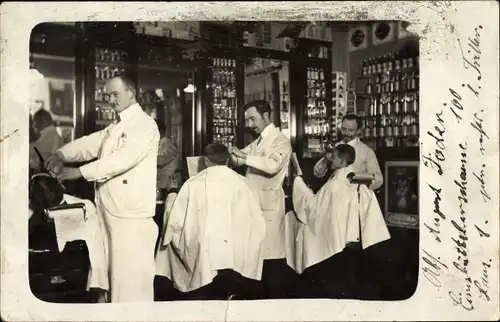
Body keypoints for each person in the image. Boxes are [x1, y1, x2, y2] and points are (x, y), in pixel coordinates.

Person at [44, 75, 160, 303]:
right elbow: (90, 143)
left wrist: (78, 172)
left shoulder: (144, 125)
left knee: (130, 286)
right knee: (110, 280)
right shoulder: (118, 125)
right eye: (108, 95)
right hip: (111, 211)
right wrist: (61, 154)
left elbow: (121, 159)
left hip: (131, 217)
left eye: (115, 94)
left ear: (131, 93)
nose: (111, 99)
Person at [155, 143, 266, 300]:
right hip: (237, 257)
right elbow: (258, 224)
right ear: (228, 161)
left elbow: (174, 223)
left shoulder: (193, 184)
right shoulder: (244, 183)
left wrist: (172, 192)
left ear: (206, 161)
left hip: (204, 257)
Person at [286, 144, 390, 298]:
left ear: (341, 162)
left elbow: (311, 209)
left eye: (334, 157)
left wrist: (298, 183)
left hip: (336, 236)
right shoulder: (355, 176)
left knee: (293, 221)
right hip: (352, 236)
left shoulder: (334, 185)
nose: (331, 159)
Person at [229, 100, 294, 299]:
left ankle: (274, 305)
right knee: (257, 257)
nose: (249, 124)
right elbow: (239, 159)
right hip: (255, 205)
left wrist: (243, 157)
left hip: (269, 208)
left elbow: (272, 164)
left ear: (266, 116)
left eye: (253, 119)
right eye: (247, 120)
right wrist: (231, 152)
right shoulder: (259, 141)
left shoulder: (280, 140)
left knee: (271, 260)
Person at [313, 114, 383, 190]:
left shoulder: (367, 152)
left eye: (351, 130)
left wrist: (355, 178)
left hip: (357, 198)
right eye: (344, 129)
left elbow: (378, 179)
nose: (346, 133)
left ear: (358, 131)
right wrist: (325, 160)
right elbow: (317, 173)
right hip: (336, 195)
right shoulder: (334, 147)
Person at [154, 119, 178, 193]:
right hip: (157, 184)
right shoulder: (157, 144)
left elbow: (160, 162)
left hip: (166, 186)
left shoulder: (169, 145)